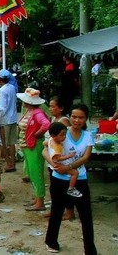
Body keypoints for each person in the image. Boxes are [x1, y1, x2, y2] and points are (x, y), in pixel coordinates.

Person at [44, 105, 97, 255]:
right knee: (56, 211)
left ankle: (89, 249)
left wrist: (68, 167)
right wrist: (54, 164)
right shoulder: (61, 132)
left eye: (80, 117)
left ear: (85, 119)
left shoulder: (87, 136)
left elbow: (86, 157)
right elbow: (44, 149)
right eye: (74, 116)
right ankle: (51, 242)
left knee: (86, 215)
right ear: (70, 117)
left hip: (79, 179)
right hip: (59, 179)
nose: (77, 120)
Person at [17, 88, 51, 211]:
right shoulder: (30, 111)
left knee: (36, 173)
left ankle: (40, 201)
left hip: (34, 145)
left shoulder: (37, 113)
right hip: (29, 145)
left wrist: (38, 134)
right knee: (32, 172)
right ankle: (38, 199)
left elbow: (46, 124)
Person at [47, 123, 81, 198]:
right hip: (58, 165)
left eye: (65, 134)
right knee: (75, 173)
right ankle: (71, 188)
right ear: (53, 136)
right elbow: (57, 158)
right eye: (62, 135)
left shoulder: (51, 140)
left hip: (56, 165)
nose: (64, 137)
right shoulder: (57, 147)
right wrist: (69, 156)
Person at [0, 69, 19, 172]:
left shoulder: (2, 90)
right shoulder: (12, 88)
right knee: (12, 143)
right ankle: (12, 163)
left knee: (3, 143)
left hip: (5, 119)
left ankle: (8, 163)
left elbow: (3, 107)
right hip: (13, 118)